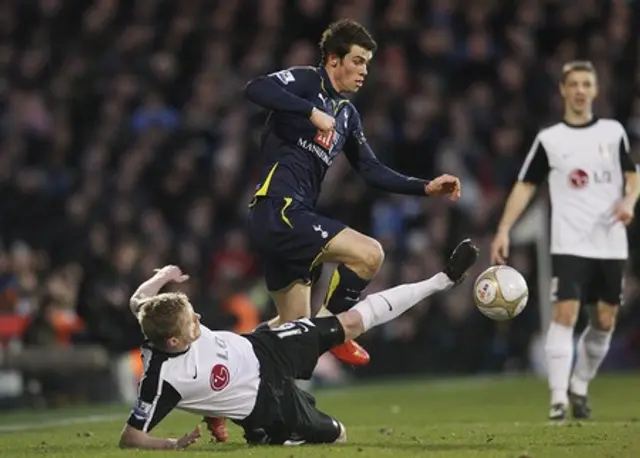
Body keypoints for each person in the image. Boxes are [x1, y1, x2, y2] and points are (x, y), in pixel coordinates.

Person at [243, 19, 461, 368]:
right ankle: (337, 329)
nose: (364, 71)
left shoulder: (348, 115)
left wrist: (425, 187)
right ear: (333, 60)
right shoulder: (306, 81)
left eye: (367, 64)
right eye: (358, 61)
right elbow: (255, 88)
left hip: (293, 219)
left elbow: (371, 171)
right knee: (370, 254)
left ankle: (218, 370)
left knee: (291, 335)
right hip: (278, 209)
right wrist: (309, 111)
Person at [118, 239, 479, 450]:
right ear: (173, 341)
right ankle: (269, 437)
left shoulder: (154, 317)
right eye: (191, 323)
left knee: (348, 324)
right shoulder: (161, 379)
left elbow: (138, 299)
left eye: (194, 314)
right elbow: (130, 437)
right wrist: (171, 446)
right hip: (267, 403)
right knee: (338, 435)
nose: (198, 320)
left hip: (264, 347)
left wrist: (162, 277)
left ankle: (443, 279)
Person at [490, 60, 639, 420]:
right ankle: (557, 398)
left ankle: (580, 385)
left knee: (604, 320)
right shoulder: (550, 139)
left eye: (587, 84)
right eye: (573, 84)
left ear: (595, 90)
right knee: (565, 313)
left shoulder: (612, 132)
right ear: (563, 90)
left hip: (610, 241)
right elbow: (526, 185)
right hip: (568, 241)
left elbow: (632, 175)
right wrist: (504, 228)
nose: (580, 90)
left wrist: (629, 201)